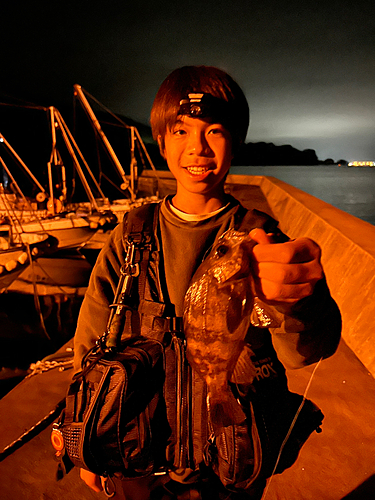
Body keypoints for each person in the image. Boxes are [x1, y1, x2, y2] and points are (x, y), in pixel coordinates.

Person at [73, 66, 341, 499]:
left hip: (226, 462)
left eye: (215, 131)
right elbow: (90, 337)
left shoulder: (258, 242)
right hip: (137, 455)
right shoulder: (131, 234)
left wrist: (299, 303)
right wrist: (80, 433)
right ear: (160, 143)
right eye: (180, 131)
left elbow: (305, 351)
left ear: (236, 142)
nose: (197, 147)